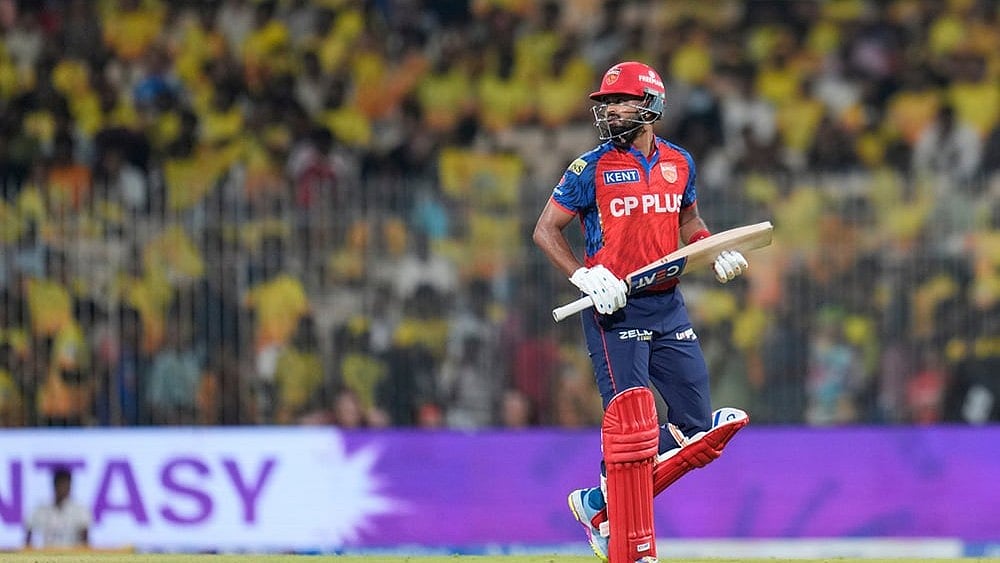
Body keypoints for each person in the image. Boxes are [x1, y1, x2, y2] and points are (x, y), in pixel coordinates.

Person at [532, 61, 751, 563]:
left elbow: (689, 219)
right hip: (615, 310)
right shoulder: (589, 168)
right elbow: (546, 230)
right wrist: (583, 275)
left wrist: (711, 247)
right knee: (634, 430)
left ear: (650, 105)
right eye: (605, 103)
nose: (609, 111)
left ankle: (598, 504)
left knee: (699, 431)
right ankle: (628, 541)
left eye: (620, 101)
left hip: (668, 305)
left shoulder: (680, 163)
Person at [24, 466, 90, 550]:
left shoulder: (80, 510)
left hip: (72, 556)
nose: (64, 489)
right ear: (55, 485)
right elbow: (28, 535)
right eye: (61, 485)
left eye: (67, 485)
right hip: (46, 556)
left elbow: (85, 540)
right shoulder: (41, 509)